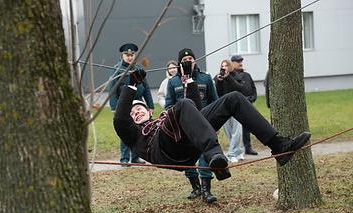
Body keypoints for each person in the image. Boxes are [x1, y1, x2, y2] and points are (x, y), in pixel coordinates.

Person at [113, 68, 311, 204]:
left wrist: (189, 78)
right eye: (132, 114)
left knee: (233, 99)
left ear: (149, 111)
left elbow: (196, 114)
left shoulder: (163, 118)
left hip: (189, 143)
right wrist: (131, 86)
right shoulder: (134, 134)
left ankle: (279, 146)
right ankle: (215, 156)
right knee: (182, 106)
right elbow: (120, 119)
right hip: (165, 150)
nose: (135, 113)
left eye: (138, 109)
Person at [165, 48, 219, 203]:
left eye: (190, 60)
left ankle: (206, 190)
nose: (188, 63)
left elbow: (215, 101)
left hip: (204, 123)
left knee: (205, 155)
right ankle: (195, 187)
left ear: (195, 61)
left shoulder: (206, 78)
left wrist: (215, 123)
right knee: (188, 156)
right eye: (184, 61)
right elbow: (169, 105)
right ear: (180, 64)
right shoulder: (173, 81)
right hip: (184, 126)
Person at [108, 43, 154, 166]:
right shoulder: (117, 70)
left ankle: (136, 157)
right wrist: (114, 107)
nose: (129, 57)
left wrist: (150, 105)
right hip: (125, 106)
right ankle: (124, 159)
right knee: (126, 131)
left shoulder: (138, 69)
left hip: (138, 103)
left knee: (140, 130)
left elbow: (146, 88)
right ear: (122, 55)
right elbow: (112, 89)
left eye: (132, 55)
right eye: (127, 55)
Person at [213, 59, 244, 163]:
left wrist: (229, 78)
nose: (224, 68)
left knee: (237, 132)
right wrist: (219, 81)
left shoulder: (236, 76)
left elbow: (240, 89)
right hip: (224, 108)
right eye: (222, 66)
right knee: (229, 132)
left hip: (236, 107)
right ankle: (239, 151)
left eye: (226, 65)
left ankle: (231, 154)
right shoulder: (218, 78)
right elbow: (217, 93)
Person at [231, 55, 259, 156]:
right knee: (236, 130)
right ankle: (236, 149)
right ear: (233, 63)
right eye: (238, 61)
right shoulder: (232, 76)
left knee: (247, 127)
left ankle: (248, 147)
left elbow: (253, 88)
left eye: (241, 61)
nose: (240, 63)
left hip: (248, 104)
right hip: (237, 106)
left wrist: (252, 98)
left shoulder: (247, 75)